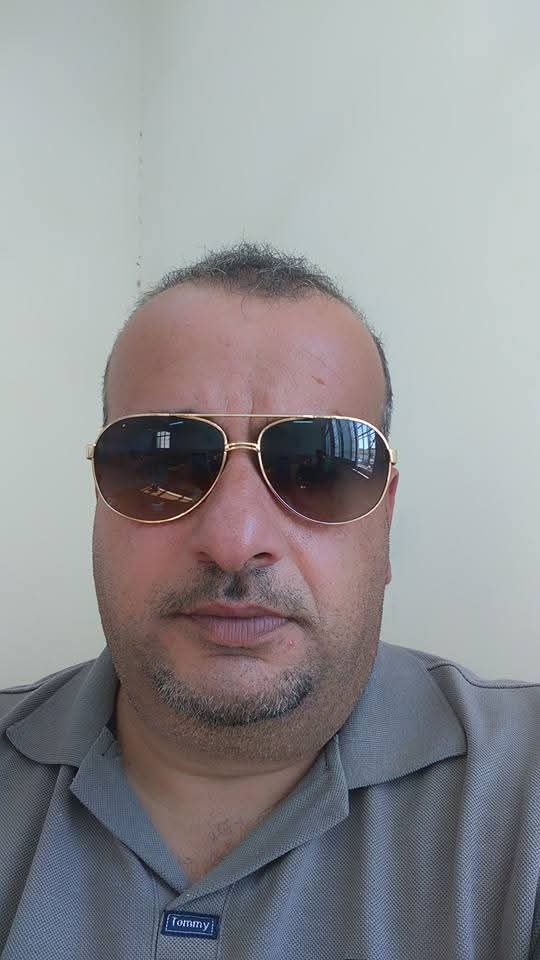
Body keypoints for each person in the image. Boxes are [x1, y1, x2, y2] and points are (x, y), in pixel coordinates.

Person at [0, 242, 538, 960]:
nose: (235, 541)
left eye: (318, 467)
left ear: (384, 520)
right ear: (98, 499)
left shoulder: (525, 790)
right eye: (162, 462)